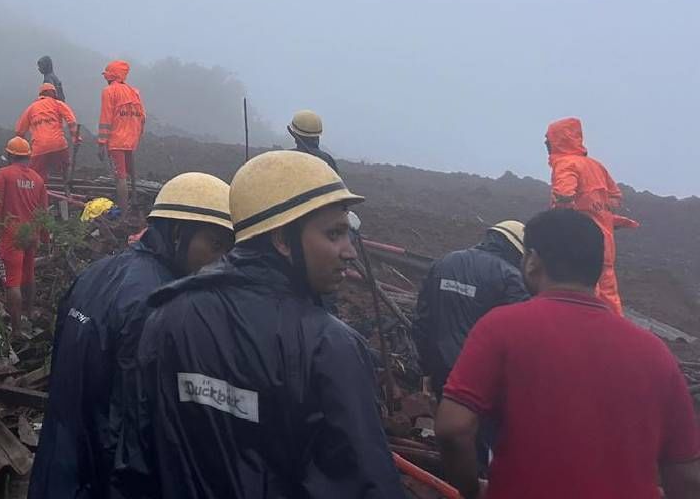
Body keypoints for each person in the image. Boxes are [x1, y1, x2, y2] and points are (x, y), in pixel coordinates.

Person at [121, 151, 405, 498]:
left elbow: (134, 460)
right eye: (334, 234)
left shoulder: (167, 316)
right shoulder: (329, 347)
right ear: (283, 240)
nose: (349, 252)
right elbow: (366, 486)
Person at [435, 209, 700, 499]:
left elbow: (453, 428)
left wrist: (471, 489)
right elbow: (687, 475)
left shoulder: (501, 328)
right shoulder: (655, 352)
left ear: (533, 261)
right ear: (598, 268)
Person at [30, 173, 234, 499]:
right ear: (179, 233)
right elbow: (132, 427)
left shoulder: (96, 272)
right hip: (101, 480)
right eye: (216, 244)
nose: (222, 260)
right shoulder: (159, 303)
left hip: (58, 464)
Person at [414, 220, 529, 395]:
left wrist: (426, 367)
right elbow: (519, 335)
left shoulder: (445, 261)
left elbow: (422, 319)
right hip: (481, 376)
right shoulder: (510, 277)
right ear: (516, 249)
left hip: (439, 367)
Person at [545, 117, 633, 314]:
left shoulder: (565, 164)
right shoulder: (596, 166)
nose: (546, 144)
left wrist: (561, 219)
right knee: (609, 294)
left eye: (548, 140)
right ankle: (614, 332)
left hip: (581, 241)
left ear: (557, 140)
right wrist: (600, 213)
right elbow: (615, 197)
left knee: (580, 291)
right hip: (606, 241)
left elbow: (564, 195)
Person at [0, 137, 49, 336]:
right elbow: (43, 213)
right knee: (28, 277)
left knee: (12, 283)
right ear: (28, 156)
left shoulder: (4, 175)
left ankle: (16, 331)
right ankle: (28, 314)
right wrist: (45, 238)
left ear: (10, 155)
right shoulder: (38, 179)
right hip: (31, 234)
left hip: (11, 235)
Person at [97, 60, 145, 210]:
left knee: (120, 178)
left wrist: (101, 143)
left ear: (111, 75)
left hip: (117, 140)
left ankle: (123, 211)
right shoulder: (134, 92)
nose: (105, 78)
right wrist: (137, 135)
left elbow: (105, 119)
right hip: (131, 140)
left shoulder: (109, 91)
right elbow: (142, 117)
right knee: (131, 172)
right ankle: (134, 200)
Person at [15, 83, 80, 181]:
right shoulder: (58, 104)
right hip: (59, 145)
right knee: (65, 167)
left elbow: (19, 132)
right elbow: (71, 121)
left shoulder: (31, 109)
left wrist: (22, 151)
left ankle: (39, 189)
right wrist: (76, 138)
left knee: (35, 176)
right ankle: (65, 186)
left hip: (39, 149)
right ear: (53, 93)